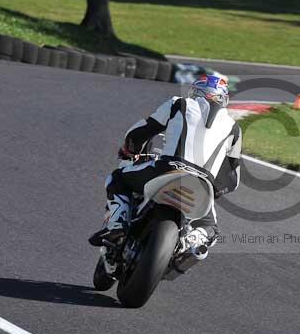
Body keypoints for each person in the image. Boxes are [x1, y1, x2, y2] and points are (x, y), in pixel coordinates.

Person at [89, 73, 242, 271]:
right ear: (224, 99)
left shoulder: (178, 103)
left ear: (195, 91)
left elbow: (141, 131)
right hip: (202, 184)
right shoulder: (234, 128)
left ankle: (117, 226)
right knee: (211, 228)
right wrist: (214, 191)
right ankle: (194, 240)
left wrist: (129, 151)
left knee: (118, 178)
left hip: (167, 169)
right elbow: (233, 178)